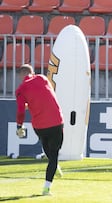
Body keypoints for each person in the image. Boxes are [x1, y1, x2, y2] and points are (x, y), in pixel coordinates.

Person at [16, 64, 64, 195]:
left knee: (49, 151)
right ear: (32, 72)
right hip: (56, 122)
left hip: (40, 126)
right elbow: (48, 96)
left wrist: (19, 125)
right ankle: (46, 187)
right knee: (54, 155)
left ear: (21, 75)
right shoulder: (42, 79)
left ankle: (54, 168)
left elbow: (20, 110)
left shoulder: (21, 89)